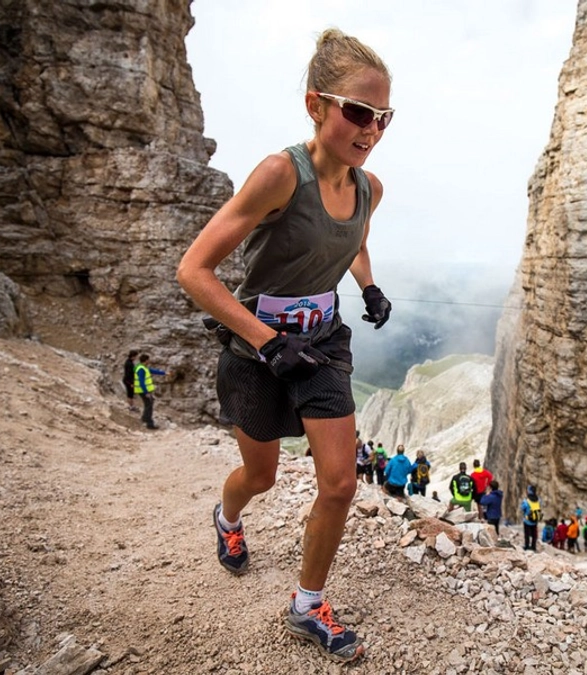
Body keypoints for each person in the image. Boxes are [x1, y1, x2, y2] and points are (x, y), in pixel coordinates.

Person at [174, 28, 395, 663]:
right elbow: (194, 270)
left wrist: (369, 285)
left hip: (323, 343)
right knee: (262, 475)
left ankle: (308, 604)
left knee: (339, 484)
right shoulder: (279, 174)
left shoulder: (368, 186)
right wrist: (268, 343)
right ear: (315, 105)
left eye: (383, 117)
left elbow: (351, 237)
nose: (371, 128)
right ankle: (228, 517)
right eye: (358, 111)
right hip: (255, 351)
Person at [133, 353, 166, 430]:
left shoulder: (143, 367)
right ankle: (149, 423)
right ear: (146, 360)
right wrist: (146, 392)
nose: (149, 361)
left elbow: (152, 371)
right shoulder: (141, 369)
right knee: (149, 405)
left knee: (149, 403)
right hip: (143, 390)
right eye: (148, 360)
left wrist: (164, 373)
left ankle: (145, 418)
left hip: (142, 390)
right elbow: (141, 381)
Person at [520, 486, 542, 551]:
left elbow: (522, 508)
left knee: (527, 534)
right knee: (534, 534)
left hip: (527, 520)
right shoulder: (539, 500)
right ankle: (533, 546)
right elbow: (539, 507)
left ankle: (527, 546)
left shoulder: (526, 501)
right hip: (535, 520)